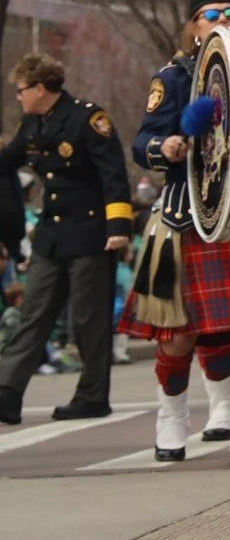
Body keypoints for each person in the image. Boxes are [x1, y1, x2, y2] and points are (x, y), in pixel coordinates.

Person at [120, 0, 230, 468]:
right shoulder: (174, 78)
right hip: (188, 216)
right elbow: (143, 143)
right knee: (181, 335)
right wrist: (169, 145)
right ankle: (171, 416)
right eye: (211, 15)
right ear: (194, 26)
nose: (223, 22)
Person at [0, 54, 131, 425]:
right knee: (33, 314)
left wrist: (118, 228)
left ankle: (92, 396)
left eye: (22, 90)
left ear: (40, 89)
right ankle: (7, 392)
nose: (19, 97)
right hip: (52, 236)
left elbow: (113, 176)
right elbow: (8, 161)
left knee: (90, 321)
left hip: (90, 234)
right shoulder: (32, 123)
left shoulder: (88, 119)